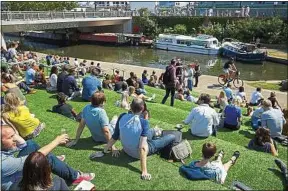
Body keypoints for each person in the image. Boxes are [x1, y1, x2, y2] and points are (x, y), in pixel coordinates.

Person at [1, 125, 95, 190]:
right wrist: (56, 141)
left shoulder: (3, 148)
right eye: (10, 137)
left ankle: (53, 161)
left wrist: (11, 133)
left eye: (14, 135)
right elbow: (32, 159)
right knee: (56, 178)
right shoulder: (3, 162)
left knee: (30, 144)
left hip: (11, 173)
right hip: (15, 185)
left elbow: (23, 144)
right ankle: (75, 176)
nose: (14, 138)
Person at [102, 98, 176, 180]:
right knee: (172, 136)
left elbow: (115, 136)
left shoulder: (122, 116)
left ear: (130, 106)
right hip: (137, 154)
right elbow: (142, 148)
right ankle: (165, 154)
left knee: (149, 133)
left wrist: (104, 151)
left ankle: (156, 131)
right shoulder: (144, 122)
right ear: (142, 108)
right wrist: (144, 171)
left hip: (126, 150)